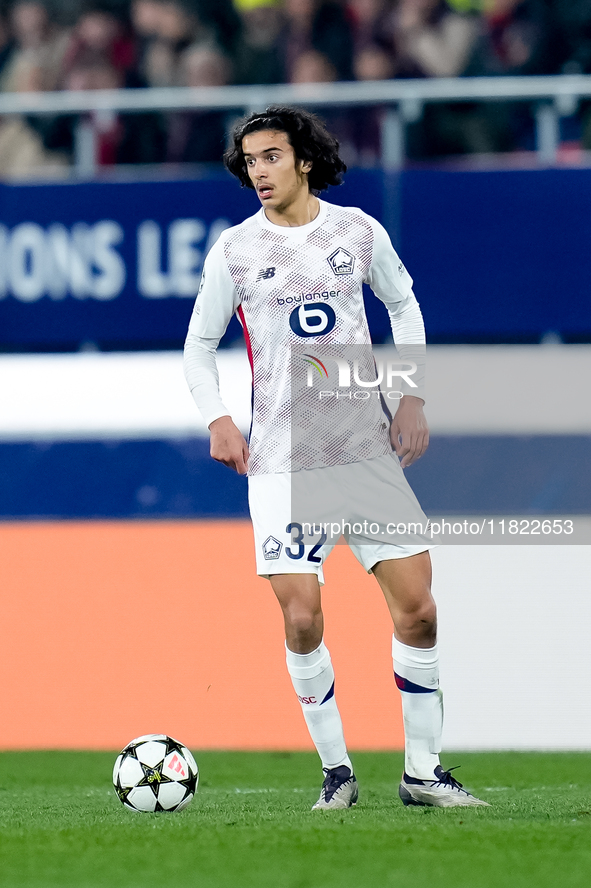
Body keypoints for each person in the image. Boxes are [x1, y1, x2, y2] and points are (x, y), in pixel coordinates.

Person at [183, 106, 488, 810]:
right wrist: (218, 419)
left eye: (270, 157)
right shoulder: (234, 250)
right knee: (301, 619)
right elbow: (199, 346)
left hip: (364, 455)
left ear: (304, 160)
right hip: (283, 464)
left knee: (418, 612)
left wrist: (410, 399)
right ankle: (336, 772)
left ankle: (422, 771)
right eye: (249, 161)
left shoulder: (356, 231)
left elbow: (404, 306)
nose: (258, 171)